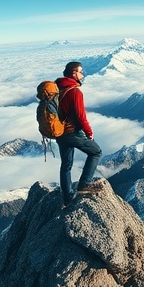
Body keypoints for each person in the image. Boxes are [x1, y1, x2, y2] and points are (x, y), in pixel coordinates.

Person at [55, 61, 102, 207]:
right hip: (73, 132)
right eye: (81, 72)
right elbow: (81, 116)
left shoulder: (58, 88)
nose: (83, 75)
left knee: (66, 165)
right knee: (96, 152)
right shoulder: (75, 92)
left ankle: (67, 199)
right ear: (74, 73)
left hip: (60, 133)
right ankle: (84, 185)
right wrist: (88, 131)